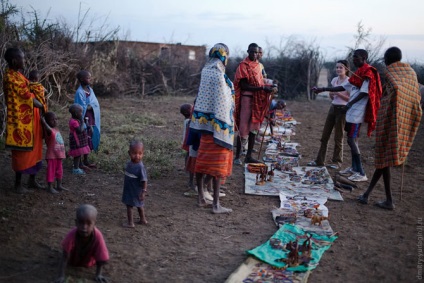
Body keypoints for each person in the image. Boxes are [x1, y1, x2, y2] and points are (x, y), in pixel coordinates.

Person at [358, 47, 422, 210]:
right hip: (404, 119)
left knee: (382, 158)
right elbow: (413, 95)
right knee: (383, 160)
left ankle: (380, 198)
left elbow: (396, 91)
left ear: (387, 59)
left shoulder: (390, 75)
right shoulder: (411, 73)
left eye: (385, 58)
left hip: (391, 121)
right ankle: (377, 197)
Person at [313, 49, 382, 182]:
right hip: (351, 111)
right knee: (353, 140)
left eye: (356, 58)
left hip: (357, 112)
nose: (354, 60)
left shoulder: (368, 73)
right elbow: (343, 87)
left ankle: (361, 172)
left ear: (364, 58)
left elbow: (364, 93)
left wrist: (349, 104)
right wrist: (323, 89)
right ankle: (354, 168)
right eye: (353, 57)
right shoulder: (358, 73)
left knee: (351, 140)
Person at [189, 43, 234, 214]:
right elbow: (223, 101)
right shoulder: (218, 74)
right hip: (218, 127)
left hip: (203, 125)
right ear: (223, 56)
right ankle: (216, 205)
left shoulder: (206, 70)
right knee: (217, 167)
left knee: (202, 162)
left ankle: (201, 197)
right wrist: (226, 124)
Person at [3, 47, 47, 194]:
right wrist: (42, 105)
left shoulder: (19, 75)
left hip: (31, 119)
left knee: (36, 149)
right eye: (22, 58)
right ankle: (18, 185)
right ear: (15, 60)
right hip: (21, 122)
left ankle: (32, 180)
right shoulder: (10, 77)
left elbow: (31, 89)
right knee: (22, 152)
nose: (24, 60)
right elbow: (28, 96)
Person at [233, 43, 276, 165]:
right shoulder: (243, 65)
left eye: (257, 52)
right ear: (248, 51)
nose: (255, 54)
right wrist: (262, 89)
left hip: (258, 99)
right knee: (243, 127)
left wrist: (270, 86)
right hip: (247, 98)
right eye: (252, 52)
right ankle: (237, 156)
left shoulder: (258, 66)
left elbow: (261, 81)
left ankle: (249, 156)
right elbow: (243, 85)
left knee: (254, 127)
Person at [307, 60, 350, 169]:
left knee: (338, 137)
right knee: (324, 136)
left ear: (346, 69)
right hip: (333, 108)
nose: (338, 69)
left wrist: (338, 93)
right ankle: (319, 161)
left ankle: (337, 162)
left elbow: (350, 99)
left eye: (341, 67)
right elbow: (332, 97)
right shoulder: (334, 80)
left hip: (342, 110)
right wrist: (332, 94)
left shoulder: (349, 81)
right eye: (337, 67)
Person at [55, 204, 109, 283]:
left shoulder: (98, 236)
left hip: (89, 262)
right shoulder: (71, 235)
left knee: (103, 259)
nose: (84, 227)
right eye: (81, 223)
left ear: (94, 224)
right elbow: (64, 256)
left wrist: (98, 274)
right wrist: (61, 276)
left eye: (89, 224)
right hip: (72, 261)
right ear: (76, 223)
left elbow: (101, 257)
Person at [74, 70, 100, 168]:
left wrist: (92, 106)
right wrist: (90, 106)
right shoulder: (79, 92)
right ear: (81, 79)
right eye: (88, 78)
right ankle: (79, 162)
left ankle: (86, 160)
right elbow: (81, 107)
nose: (90, 79)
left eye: (90, 77)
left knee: (89, 138)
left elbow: (94, 103)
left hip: (91, 117)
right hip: (83, 118)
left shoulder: (90, 90)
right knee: (82, 139)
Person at [122, 140, 148, 227]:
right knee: (139, 205)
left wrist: (143, 191)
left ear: (143, 154)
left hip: (135, 191)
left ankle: (130, 223)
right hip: (129, 189)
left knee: (130, 206)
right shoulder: (129, 164)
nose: (137, 156)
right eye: (134, 153)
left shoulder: (140, 167)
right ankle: (143, 219)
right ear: (129, 153)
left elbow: (144, 180)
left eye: (140, 153)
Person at [40, 112, 68, 194]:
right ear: (47, 122)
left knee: (60, 171)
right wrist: (44, 122)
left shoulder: (56, 129)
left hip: (58, 155)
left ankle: (59, 185)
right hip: (52, 156)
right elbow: (49, 130)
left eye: (56, 119)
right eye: (52, 120)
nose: (55, 121)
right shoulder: (49, 130)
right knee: (51, 172)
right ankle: (49, 187)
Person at [68, 104, 91, 175]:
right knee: (77, 154)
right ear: (76, 113)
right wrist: (82, 121)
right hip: (76, 140)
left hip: (79, 139)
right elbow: (79, 130)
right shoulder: (74, 121)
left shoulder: (76, 119)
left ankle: (79, 165)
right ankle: (76, 169)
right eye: (81, 112)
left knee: (79, 153)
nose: (82, 114)